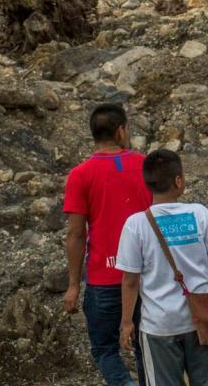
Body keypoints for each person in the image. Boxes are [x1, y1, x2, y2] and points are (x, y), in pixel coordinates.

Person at [117, 149, 208, 386]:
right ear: (178, 181)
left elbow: (130, 279)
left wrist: (127, 322)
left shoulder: (135, 224)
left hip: (158, 326)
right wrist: (196, 261)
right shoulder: (199, 214)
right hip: (200, 319)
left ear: (148, 183)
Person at [63, 103, 151, 386]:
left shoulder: (80, 174)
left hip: (103, 278)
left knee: (104, 350)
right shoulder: (145, 165)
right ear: (121, 131)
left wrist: (74, 285)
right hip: (144, 276)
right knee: (145, 348)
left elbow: (76, 235)